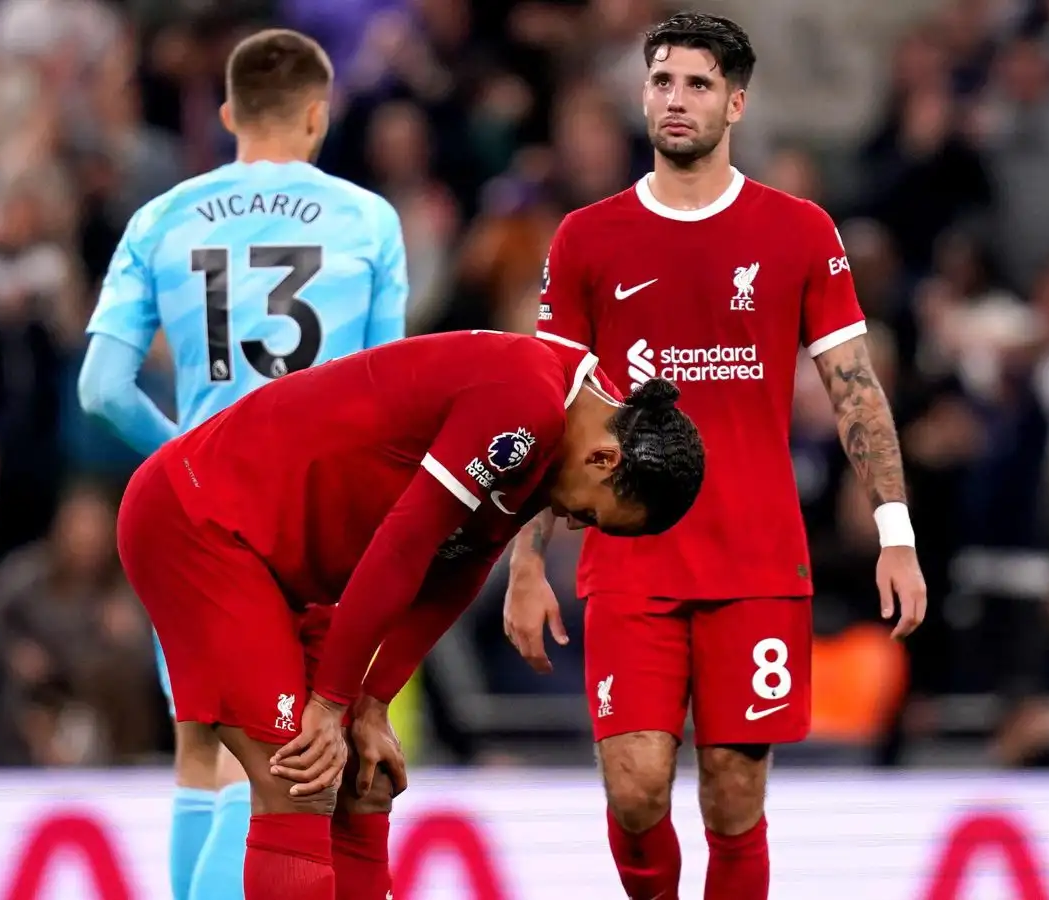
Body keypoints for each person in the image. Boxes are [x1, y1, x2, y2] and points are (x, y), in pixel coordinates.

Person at [503, 12, 928, 899]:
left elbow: (856, 389)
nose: (676, 99)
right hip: (631, 558)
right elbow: (553, 413)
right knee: (635, 788)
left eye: (697, 85)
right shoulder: (587, 238)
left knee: (733, 800)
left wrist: (897, 533)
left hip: (757, 560)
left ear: (736, 102)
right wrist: (526, 561)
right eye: (662, 81)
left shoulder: (799, 232)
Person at [117, 329, 705, 900]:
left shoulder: (582, 411)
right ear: (605, 457)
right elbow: (405, 544)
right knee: (298, 781)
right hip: (204, 522)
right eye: (594, 515)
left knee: (363, 784)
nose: (576, 524)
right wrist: (330, 702)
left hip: (282, 566)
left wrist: (371, 701)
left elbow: (463, 563)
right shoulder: (527, 404)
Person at [75, 29, 408, 900]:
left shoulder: (161, 217)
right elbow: (388, 398)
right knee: (277, 775)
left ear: (228, 115)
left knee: (200, 748)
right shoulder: (367, 219)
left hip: (192, 527)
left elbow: (103, 388)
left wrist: (193, 465)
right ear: (317, 114)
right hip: (310, 529)